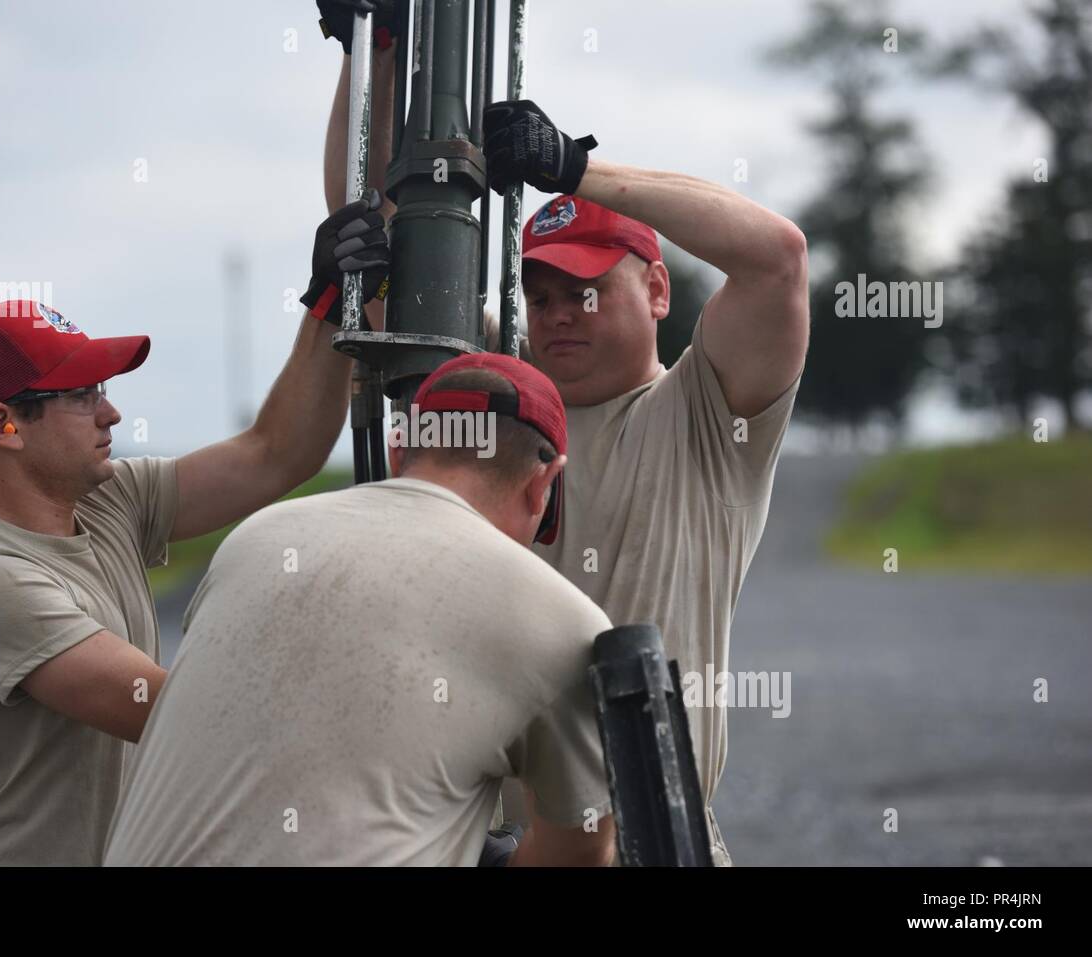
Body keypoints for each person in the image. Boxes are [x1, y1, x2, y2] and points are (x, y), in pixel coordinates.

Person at [317, 13, 809, 863]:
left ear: (658, 290)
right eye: (539, 294)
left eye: (585, 291)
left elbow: (778, 257)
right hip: (497, 841)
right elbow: (374, 228)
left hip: (648, 837)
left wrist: (576, 169)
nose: (555, 314)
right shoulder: (495, 399)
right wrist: (380, 53)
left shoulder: (705, 414)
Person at [0, 197, 389, 866]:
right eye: (81, 395)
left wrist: (329, 307)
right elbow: (170, 711)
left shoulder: (109, 500)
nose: (111, 411)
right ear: (4, 425)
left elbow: (277, 453)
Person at [104, 353, 616, 866]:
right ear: (545, 484)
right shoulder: (563, 621)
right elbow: (579, 852)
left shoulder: (259, 538)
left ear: (398, 453)